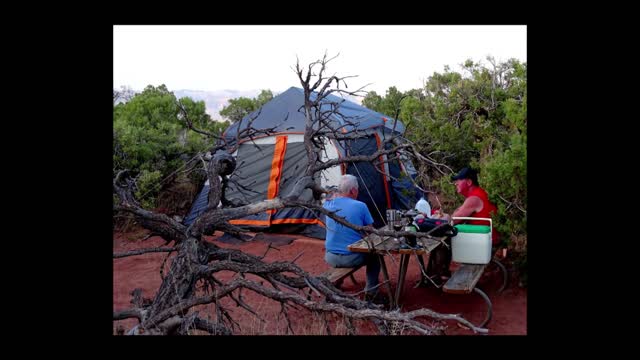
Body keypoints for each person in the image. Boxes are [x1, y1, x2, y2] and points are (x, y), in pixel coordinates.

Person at [323, 174, 384, 303]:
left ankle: (336, 283)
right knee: (375, 255)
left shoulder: (327, 205)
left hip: (330, 257)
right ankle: (371, 292)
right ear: (353, 190)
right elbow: (369, 232)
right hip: (351, 258)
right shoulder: (360, 206)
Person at [450, 167, 500, 245]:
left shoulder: (474, 198)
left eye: (459, 180)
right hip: (485, 241)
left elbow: (453, 220)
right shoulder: (478, 194)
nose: (456, 183)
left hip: (486, 244)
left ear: (469, 182)